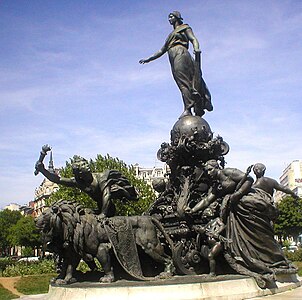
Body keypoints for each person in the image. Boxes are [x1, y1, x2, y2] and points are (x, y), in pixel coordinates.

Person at [139, 11, 212, 118]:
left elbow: (193, 39)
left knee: (184, 83)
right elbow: (162, 50)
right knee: (181, 83)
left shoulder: (184, 27)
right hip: (172, 57)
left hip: (181, 54)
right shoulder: (170, 35)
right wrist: (149, 59)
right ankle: (189, 107)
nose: (169, 19)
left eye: (171, 16)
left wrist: (196, 48)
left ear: (177, 18)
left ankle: (188, 108)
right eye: (169, 17)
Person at [35, 155, 137, 218]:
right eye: (83, 165)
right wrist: (43, 170)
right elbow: (58, 180)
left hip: (107, 206)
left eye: (85, 163)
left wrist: (103, 214)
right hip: (101, 206)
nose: (87, 165)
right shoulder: (79, 182)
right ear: (79, 172)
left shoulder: (101, 177)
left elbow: (106, 195)